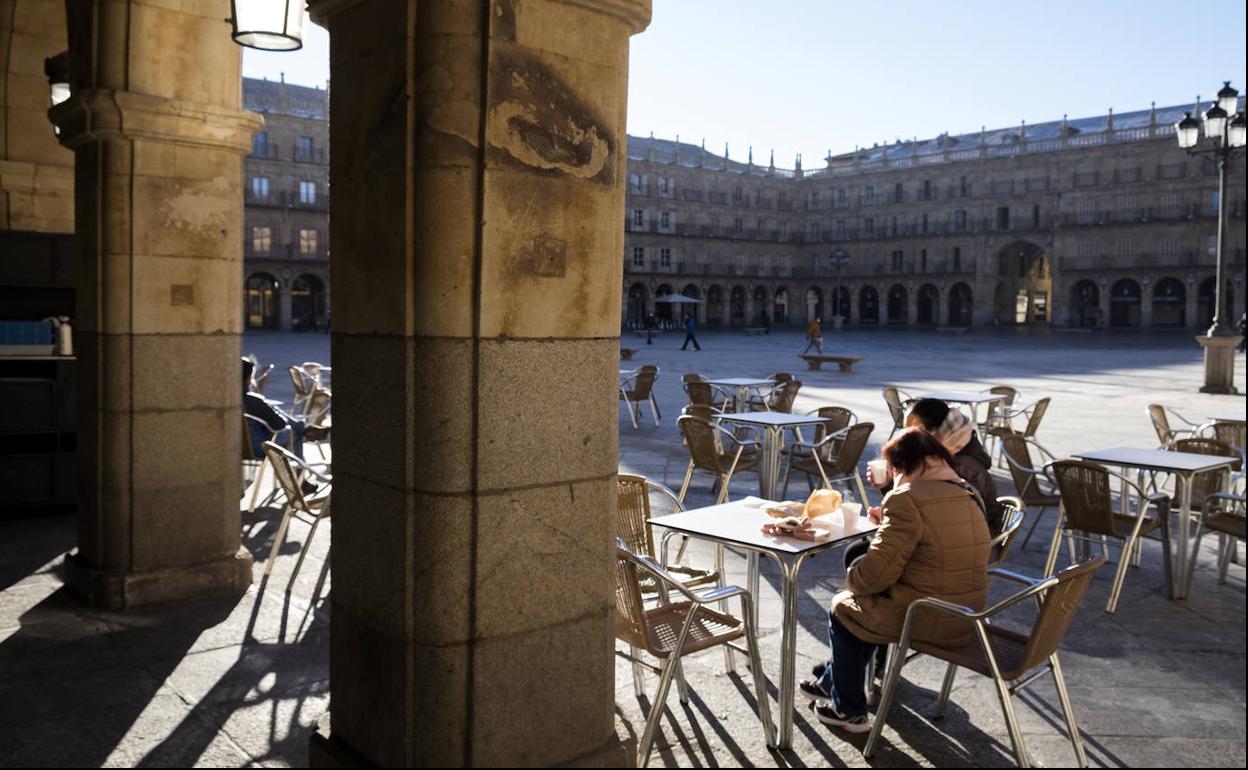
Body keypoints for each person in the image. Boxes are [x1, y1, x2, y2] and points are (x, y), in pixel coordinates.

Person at [800, 428, 991, 733]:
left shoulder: (908, 499)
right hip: (967, 612)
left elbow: (874, 576)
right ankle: (829, 683)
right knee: (866, 606)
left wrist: (853, 575)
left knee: (846, 607)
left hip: (928, 615)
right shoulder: (966, 491)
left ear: (901, 467)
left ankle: (848, 711)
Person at [242, 358, 327, 461]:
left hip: (235, 446)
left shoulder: (229, 400)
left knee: (274, 410)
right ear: (248, 379)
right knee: (293, 433)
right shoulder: (252, 401)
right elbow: (279, 424)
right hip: (258, 447)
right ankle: (297, 474)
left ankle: (304, 428)